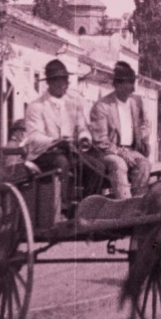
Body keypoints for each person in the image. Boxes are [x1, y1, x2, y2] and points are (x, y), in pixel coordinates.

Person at [25, 59, 105, 211]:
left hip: (71, 150)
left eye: (66, 80)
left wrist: (84, 138)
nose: (66, 84)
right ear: (50, 82)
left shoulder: (73, 103)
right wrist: (55, 141)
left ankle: (89, 207)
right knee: (62, 162)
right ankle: (63, 207)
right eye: (61, 81)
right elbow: (34, 136)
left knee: (98, 164)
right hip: (44, 153)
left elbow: (82, 127)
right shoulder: (36, 106)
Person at [89, 61, 151, 200]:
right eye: (129, 84)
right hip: (108, 152)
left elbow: (146, 123)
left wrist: (144, 136)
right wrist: (120, 152)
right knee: (119, 164)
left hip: (132, 150)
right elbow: (100, 140)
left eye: (133, 83)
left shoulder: (136, 102)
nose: (133, 89)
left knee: (144, 164)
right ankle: (124, 207)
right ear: (117, 85)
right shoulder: (102, 106)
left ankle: (137, 204)